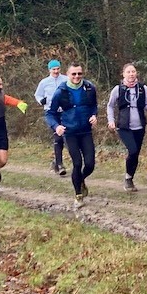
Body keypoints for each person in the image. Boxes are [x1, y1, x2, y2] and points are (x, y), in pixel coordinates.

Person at [45, 63, 98, 209]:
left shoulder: (89, 88)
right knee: (77, 163)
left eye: (79, 74)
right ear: (68, 74)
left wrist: (94, 115)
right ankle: (78, 195)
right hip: (70, 133)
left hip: (85, 131)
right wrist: (57, 126)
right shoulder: (60, 92)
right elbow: (50, 113)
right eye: (73, 74)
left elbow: (94, 106)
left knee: (90, 164)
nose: (76, 77)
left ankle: (80, 180)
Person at [105, 63, 147, 192]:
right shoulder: (118, 89)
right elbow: (110, 106)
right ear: (123, 74)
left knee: (136, 154)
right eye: (128, 72)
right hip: (124, 126)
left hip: (140, 126)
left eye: (133, 71)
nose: (131, 74)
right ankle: (128, 178)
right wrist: (111, 121)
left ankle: (129, 178)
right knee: (132, 150)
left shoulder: (142, 88)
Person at [35, 59, 69, 176]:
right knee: (58, 137)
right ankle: (59, 165)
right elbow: (37, 94)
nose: (56, 71)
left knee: (66, 137)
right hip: (51, 112)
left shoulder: (65, 79)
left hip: (64, 111)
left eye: (58, 69)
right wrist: (41, 100)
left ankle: (56, 161)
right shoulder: (44, 82)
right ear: (49, 70)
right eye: (53, 69)